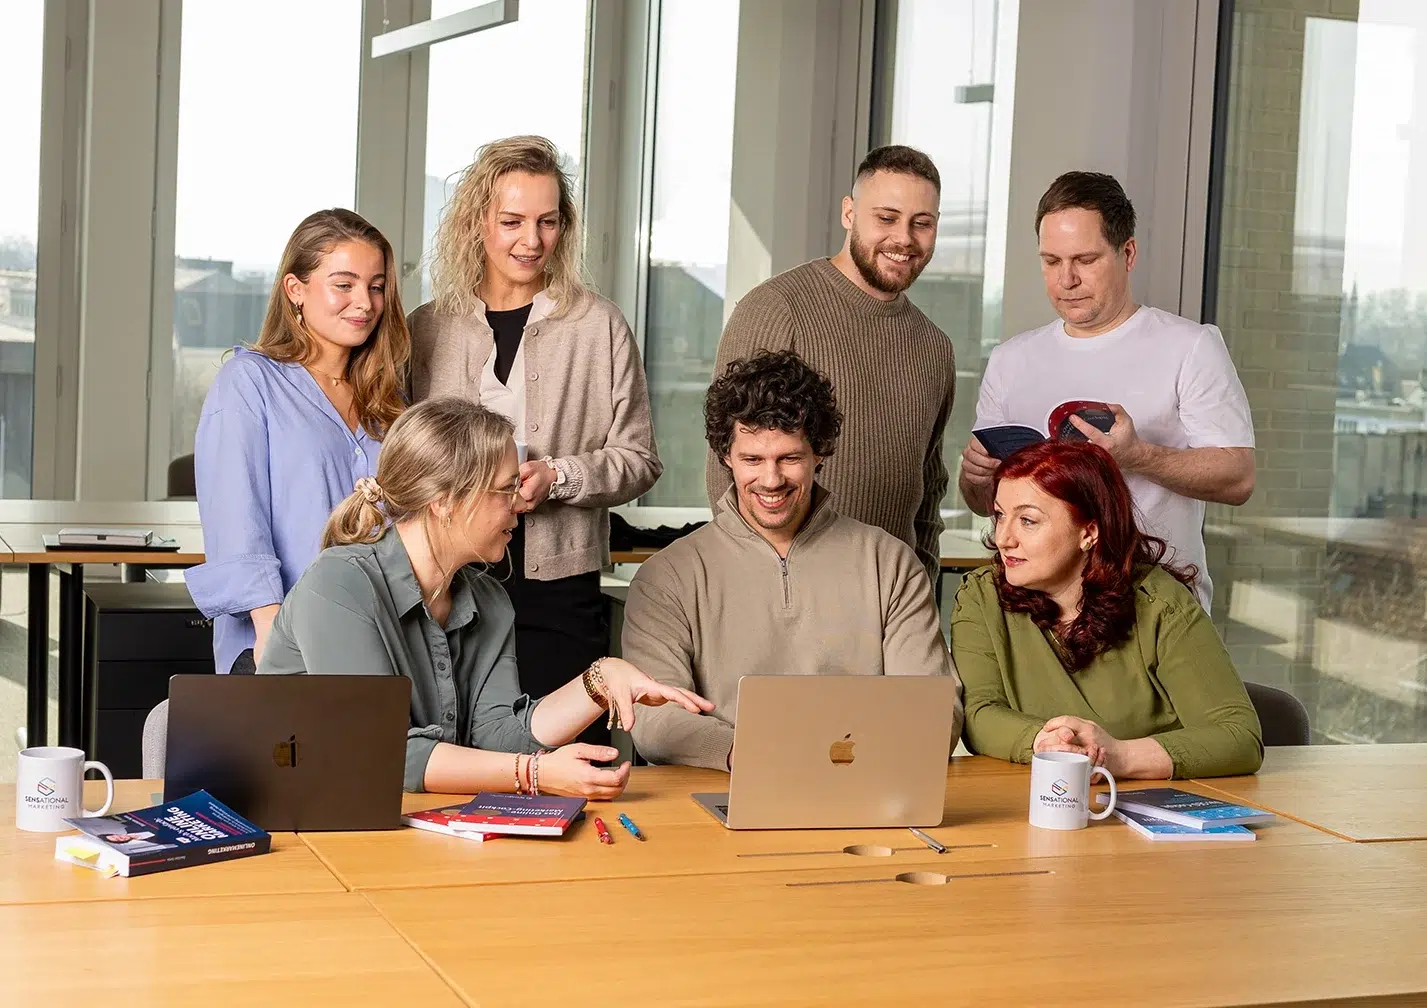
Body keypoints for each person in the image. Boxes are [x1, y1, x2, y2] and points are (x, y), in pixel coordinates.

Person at [257, 397, 710, 796]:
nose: (520, 503)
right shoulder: (338, 585)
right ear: (445, 500)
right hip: (302, 832)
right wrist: (534, 774)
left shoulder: (488, 599)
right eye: (505, 489)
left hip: (397, 825)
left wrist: (601, 681)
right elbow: (382, 752)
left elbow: (497, 734)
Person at [409, 136, 660, 744]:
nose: (532, 240)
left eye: (548, 221)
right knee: (461, 752)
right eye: (512, 221)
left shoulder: (597, 324)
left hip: (560, 589)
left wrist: (559, 476)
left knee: (568, 758)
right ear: (477, 223)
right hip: (449, 582)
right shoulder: (426, 328)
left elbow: (640, 459)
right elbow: (404, 463)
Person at [626, 350, 961, 771]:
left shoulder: (890, 563)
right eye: (752, 459)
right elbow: (654, 722)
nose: (771, 480)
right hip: (721, 786)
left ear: (819, 452)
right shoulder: (667, 577)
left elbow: (934, 709)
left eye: (790, 458)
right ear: (725, 456)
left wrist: (835, 757)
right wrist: (753, 754)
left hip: (859, 782)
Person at [958, 171, 1254, 608]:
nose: (1067, 280)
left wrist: (1138, 456)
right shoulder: (1010, 359)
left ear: (1127, 253)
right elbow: (984, 504)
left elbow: (1239, 478)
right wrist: (976, 477)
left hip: (1155, 613)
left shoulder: (1190, 346)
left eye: (1086, 259)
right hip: (1038, 616)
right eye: (1051, 261)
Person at [706, 144, 955, 584]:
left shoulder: (934, 346)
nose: (904, 239)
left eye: (922, 223)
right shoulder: (777, 309)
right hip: (787, 595)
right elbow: (725, 472)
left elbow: (929, 489)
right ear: (849, 213)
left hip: (892, 605)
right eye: (886, 218)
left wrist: (923, 584)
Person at [952, 440, 1263, 780]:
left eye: (1027, 520)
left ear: (1089, 532)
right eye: (1000, 515)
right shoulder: (981, 596)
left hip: (1152, 810)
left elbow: (1238, 737)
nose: (1003, 538)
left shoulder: (1160, 603)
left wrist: (1117, 756)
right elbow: (979, 713)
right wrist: (1047, 743)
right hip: (1039, 804)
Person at [187, 209, 411, 674]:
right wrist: (269, 624)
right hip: (282, 642)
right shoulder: (248, 382)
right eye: (344, 285)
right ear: (296, 290)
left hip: (380, 642)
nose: (365, 303)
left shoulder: (390, 398)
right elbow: (235, 517)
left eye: (375, 286)